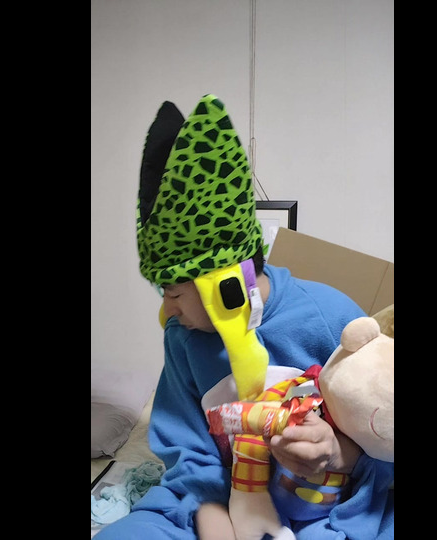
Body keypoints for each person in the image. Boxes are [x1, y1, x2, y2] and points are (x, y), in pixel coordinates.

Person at [95, 94, 393, 540]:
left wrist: (339, 453)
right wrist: (212, 516)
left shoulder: (331, 317)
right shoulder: (182, 337)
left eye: (174, 293)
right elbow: (187, 453)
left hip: (327, 504)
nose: (167, 310)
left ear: (226, 286)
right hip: (218, 505)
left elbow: (383, 430)